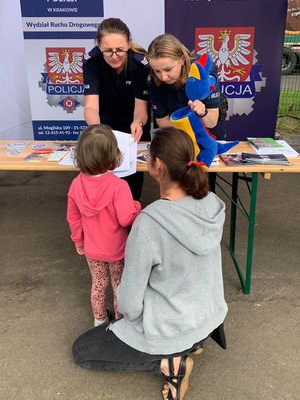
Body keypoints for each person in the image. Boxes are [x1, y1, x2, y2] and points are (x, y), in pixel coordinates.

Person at [72, 127, 228, 400]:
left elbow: (130, 305)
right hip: (209, 318)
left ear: (157, 165)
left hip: (171, 328)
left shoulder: (149, 223)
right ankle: (191, 345)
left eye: (147, 155)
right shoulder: (212, 203)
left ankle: (168, 362)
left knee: (81, 351)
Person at [67, 124, 141, 327]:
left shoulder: (76, 185)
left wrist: (78, 241)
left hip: (92, 249)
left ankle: (99, 320)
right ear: (113, 155)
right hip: (117, 249)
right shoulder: (119, 186)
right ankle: (119, 322)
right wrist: (136, 206)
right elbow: (126, 219)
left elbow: (73, 218)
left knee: (98, 285)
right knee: (118, 284)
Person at [147, 33, 227, 191]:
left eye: (168, 69)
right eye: (157, 71)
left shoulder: (203, 69)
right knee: (177, 190)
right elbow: (163, 123)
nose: (163, 77)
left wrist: (202, 112)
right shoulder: (152, 79)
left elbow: (211, 121)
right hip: (178, 140)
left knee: (202, 189)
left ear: (182, 59)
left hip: (206, 136)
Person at [83, 17, 150, 200]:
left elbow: (141, 109)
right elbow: (90, 106)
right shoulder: (92, 61)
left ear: (129, 43)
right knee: (101, 182)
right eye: (108, 51)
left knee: (131, 187)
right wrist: (98, 130)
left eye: (120, 50)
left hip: (134, 127)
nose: (114, 56)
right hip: (104, 124)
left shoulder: (140, 64)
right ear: (99, 45)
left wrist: (138, 122)